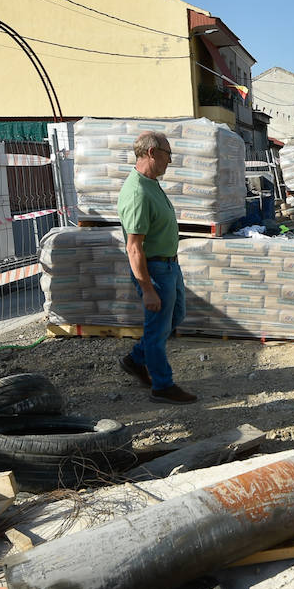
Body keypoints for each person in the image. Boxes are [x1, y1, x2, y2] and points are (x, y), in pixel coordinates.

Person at [116, 131, 196, 404]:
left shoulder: (150, 183)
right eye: (167, 154)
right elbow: (134, 247)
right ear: (151, 153)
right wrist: (147, 289)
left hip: (169, 266)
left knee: (175, 316)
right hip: (154, 271)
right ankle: (162, 386)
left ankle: (135, 359)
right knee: (157, 329)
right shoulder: (137, 191)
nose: (170, 161)